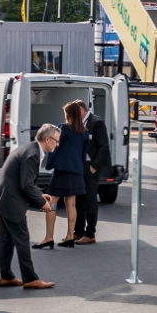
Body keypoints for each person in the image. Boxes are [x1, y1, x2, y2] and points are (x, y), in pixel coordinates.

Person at [0, 124, 57, 289]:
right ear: (47, 139)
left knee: (7, 239)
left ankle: (6, 276)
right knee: (22, 239)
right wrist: (42, 203)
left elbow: (25, 180)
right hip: (10, 200)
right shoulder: (33, 154)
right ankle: (30, 279)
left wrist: (40, 194)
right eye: (56, 141)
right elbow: (26, 185)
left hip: (2, 196)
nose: (58, 144)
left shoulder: (30, 148)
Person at [43, 102, 89, 248]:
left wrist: (49, 164)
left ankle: (49, 237)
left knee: (52, 202)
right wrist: (81, 170)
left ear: (68, 114)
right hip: (77, 172)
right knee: (71, 203)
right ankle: (70, 236)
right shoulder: (84, 132)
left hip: (62, 171)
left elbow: (55, 148)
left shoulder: (63, 128)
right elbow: (83, 155)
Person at [75, 101, 111, 244]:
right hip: (79, 166)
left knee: (89, 199)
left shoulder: (96, 122)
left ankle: (90, 233)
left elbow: (104, 147)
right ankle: (78, 231)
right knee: (78, 199)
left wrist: (94, 166)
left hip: (90, 166)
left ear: (81, 110)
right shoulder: (78, 123)